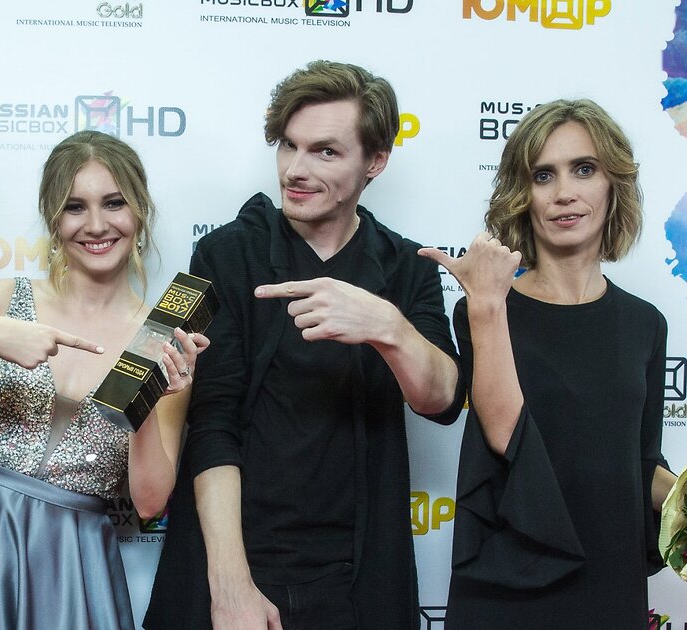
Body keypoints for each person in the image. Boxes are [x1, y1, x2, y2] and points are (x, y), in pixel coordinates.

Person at [145, 60, 464, 630]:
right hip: (238, 567)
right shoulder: (225, 255)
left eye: (325, 152)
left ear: (375, 161)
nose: (295, 169)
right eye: (288, 146)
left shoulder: (405, 267)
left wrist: (387, 327)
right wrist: (231, 587)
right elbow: (212, 421)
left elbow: (441, 401)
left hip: (358, 579)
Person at [0, 130, 207, 630]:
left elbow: (149, 503)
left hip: (70, 557)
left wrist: (146, 400)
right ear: (53, 218)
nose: (97, 224)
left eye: (114, 203)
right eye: (75, 207)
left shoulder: (159, 339)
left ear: (140, 211)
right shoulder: (4, 299)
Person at [419, 99, 678, 628]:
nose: (564, 193)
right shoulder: (485, 309)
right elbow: (503, 430)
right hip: (510, 577)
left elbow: (639, 461)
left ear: (613, 184)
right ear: (524, 195)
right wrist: (488, 305)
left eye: (584, 169)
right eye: (543, 175)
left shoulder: (645, 324)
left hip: (610, 573)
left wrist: (681, 497)